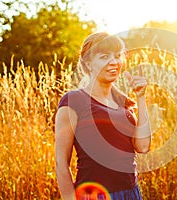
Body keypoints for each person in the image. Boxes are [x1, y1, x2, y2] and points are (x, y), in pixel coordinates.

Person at [55, 32, 151, 200]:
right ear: (89, 64)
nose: (114, 62)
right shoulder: (73, 101)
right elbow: (61, 163)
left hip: (131, 193)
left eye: (117, 56)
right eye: (105, 56)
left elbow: (142, 147)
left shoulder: (124, 104)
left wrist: (141, 97)